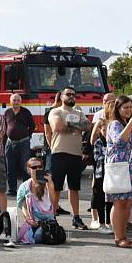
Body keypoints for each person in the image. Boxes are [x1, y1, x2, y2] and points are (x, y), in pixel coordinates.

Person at [48, 86, 92, 229]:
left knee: (74, 188)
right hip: (59, 153)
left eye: (74, 94)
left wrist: (71, 125)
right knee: (57, 188)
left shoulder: (79, 112)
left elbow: (88, 126)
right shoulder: (55, 111)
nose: (71, 96)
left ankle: (76, 218)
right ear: (61, 96)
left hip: (75, 154)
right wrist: (77, 126)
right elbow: (58, 127)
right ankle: (52, 217)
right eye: (68, 94)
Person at [105, 95, 132, 248]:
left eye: (130, 107)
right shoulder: (115, 124)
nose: (129, 110)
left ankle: (123, 235)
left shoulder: (128, 124)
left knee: (128, 202)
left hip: (130, 168)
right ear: (118, 109)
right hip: (119, 168)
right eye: (125, 107)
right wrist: (130, 125)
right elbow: (119, 142)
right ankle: (118, 237)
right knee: (119, 203)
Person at [89, 100, 115, 233]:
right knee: (99, 197)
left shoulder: (112, 141)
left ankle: (110, 222)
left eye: (108, 130)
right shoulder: (99, 142)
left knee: (109, 199)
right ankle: (101, 222)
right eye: (104, 130)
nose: (106, 132)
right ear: (100, 130)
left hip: (111, 173)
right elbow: (97, 157)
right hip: (101, 173)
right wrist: (109, 156)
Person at [4, 93, 35, 197]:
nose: (16, 102)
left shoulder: (26, 112)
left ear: (20, 101)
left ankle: (26, 190)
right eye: (14, 100)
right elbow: (5, 127)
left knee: (25, 167)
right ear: (10, 101)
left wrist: (27, 136)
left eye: (18, 100)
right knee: (10, 167)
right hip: (10, 143)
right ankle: (12, 190)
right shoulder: (7, 112)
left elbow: (32, 126)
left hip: (23, 143)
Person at [17, 179, 56, 245]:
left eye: (39, 167)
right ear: (28, 169)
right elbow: (24, 206)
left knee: (43, 236)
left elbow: (53, 201)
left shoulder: (47, 183)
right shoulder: (25, 186)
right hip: (34, 223)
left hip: (48, 222)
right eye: (33, 168)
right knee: (37, 236)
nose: (36, 169)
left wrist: (50, 183)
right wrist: (28, 219)